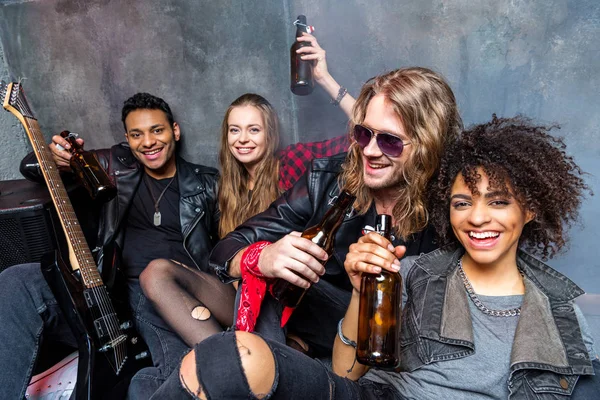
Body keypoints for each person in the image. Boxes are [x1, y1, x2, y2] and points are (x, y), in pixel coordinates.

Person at [156, 116, 598, 399]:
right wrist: (266, 259)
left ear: (531, 208)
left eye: (498, 202)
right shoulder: (412, 268)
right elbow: (350, 373)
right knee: (226, 355)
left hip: (325, 343)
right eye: (463, 203)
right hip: (360, 382)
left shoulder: (564, 314)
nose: (478, 217)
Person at [206, 66, 461, 358]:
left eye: (389, 141)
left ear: (428, 144)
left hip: (394, 343)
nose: (370, 151)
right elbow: (226, 249)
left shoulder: (453, 202)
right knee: (272, 269)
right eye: (364, 134)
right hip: (319, 329)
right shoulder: (327, 179)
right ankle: (268, 365)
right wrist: (262, 257)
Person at [139, 33, 355, 349]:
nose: (243, 139)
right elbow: (217, 258)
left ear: (270, 134)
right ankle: (229, 361)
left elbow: (361, 136)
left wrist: (323, 77)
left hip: (288, 300)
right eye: (234, 130)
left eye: (254, 129)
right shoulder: (223, 185)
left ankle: (252, 357)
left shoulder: (292, 162)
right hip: (238, 294)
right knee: (155, 273)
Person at [0, 93, 220, 399]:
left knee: (177, 376)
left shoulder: (207, 184)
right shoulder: (114, 164)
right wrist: (59, 159)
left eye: (157, 130)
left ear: (175, 131)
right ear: (127, 139)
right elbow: (32, 167)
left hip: (163, 294)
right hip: (108, 286)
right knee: (16, 281)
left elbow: (228, 250)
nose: (148, 142)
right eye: (136, 134)